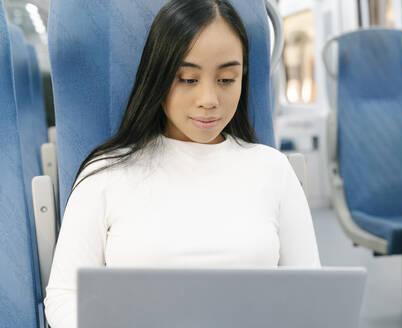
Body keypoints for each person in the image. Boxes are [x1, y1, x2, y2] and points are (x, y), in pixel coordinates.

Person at [44, 0, 321, 327]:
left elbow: (312, 296)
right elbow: (64, 296)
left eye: (227, 79)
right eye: (188, 79)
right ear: (159, 78)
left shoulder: (272, 169)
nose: (209, 100)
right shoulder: (104, 174)